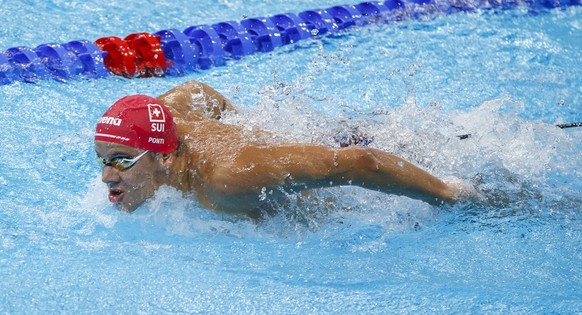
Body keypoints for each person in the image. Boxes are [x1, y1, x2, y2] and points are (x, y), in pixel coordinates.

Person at [95, 80, 478, 217]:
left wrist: (448, 194)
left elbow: (360, 163)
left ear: (164, 155)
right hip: (303, 146)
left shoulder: (227, 180)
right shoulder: (160, 122)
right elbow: (196, 91)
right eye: (104, 159)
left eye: (122, 161)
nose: (106, 176)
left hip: (356, 156)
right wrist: (248, 126)